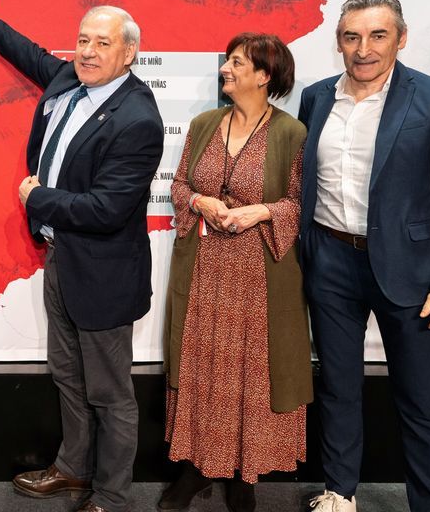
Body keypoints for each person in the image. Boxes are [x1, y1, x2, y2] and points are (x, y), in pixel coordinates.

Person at [0, 0, 164, 512]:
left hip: (105, 273)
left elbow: (106, 209)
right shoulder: (72, 77)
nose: (87, 52)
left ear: (129, 52)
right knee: (67, 375)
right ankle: (73, 469)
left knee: (111, 394)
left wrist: (37, 196)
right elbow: (30, 54)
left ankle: (111, 497)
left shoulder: (138, 120)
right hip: (61, 259)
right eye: (82, 40)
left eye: (101, 43)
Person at [299, 0, 430, 512]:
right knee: (337, 388)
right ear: (338, 42)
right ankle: (340, 493)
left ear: (401, 38)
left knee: (421, 400)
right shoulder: (315, 98)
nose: (363, 49)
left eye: (378, 35)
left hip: (412, 272)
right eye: (352, 36)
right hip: (330, 261)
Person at [160, 33, 312, 512]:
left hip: (260, 276)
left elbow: (299, 203)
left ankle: (245, 473)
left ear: (265, 76)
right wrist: (200, 200)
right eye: (227, 60)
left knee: (251, 372)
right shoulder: (205, 123)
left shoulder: (291, 133)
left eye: (238, 63)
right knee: (202, 366)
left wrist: (260, 212)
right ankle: (196, 469)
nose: (226, 68)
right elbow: (180, 185)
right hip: (205, 269)